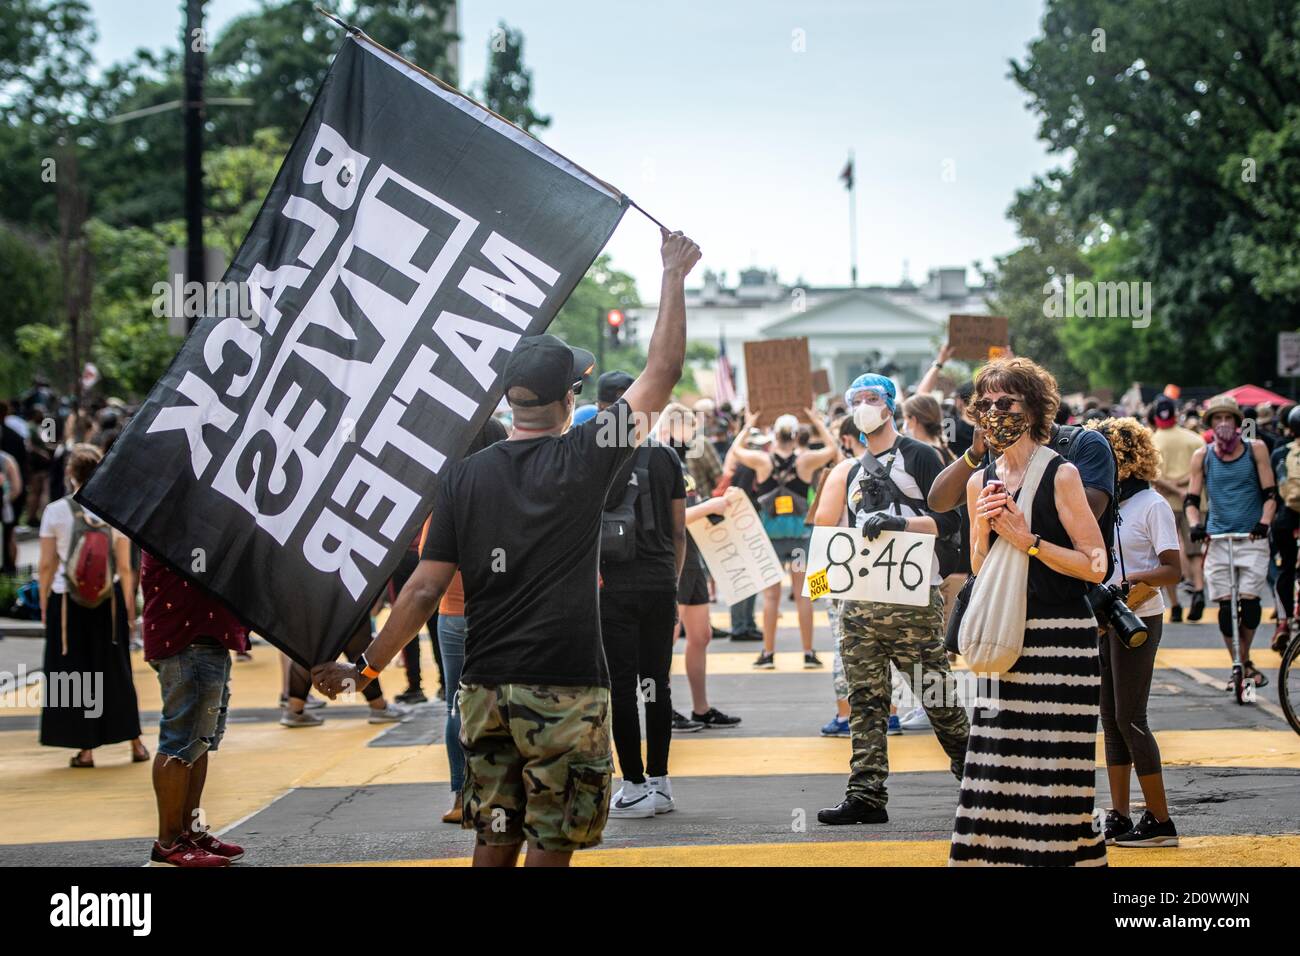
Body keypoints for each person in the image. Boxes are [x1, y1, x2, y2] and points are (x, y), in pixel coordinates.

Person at [312, 229, 701, 867]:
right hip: (565, 687)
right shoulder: (584, 457)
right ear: (570, 399)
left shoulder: (463, 477)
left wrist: (369, 667)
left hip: (484, 689)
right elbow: (662, 373)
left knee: (493, 835)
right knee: (553, 841)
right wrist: (672, 274)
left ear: (510, 400)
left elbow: (421, 589)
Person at [949, 358, 1108, 867]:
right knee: (993, 767)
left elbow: (1095, 565)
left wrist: (1029, 541)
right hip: (1003, 636)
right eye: (988, 404)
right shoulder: (981, 482)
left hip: (1060, 639)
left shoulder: (1061, 472)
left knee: (1053, 773)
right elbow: (980, 566)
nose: (996, 413)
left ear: (1034, 409)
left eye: (1008, 403)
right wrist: (982, 529)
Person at [812, 373, 969, 825]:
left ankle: (976, 777)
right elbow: (830, 539)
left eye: (872, 398)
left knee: (936, 694)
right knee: (865, 697)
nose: (864, 405)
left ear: (890, 404)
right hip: (860, 603)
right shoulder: (852, 469)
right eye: (856, 399)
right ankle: (865, 793)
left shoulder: (919, 455)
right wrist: (824, 593)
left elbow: (952, 522)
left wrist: (901, 525)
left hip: (913, 599)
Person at [594, 376, 695, 819]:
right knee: (656, 683)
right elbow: (678, 529)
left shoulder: (590, 456)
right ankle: (661, 782)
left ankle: (632, 784)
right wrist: (670, 580)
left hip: (611, 586)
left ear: (602, 408)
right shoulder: (666, 456)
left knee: (619, 685)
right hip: (658, 584)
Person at [1087, 418, 1181, 848]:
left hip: (1141, 616)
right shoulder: (1108, 504)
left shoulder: (1152, 505)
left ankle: (1160, 821)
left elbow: (1172, 569)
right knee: (1111, 720)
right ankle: (1120, 815)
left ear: (1123, 458)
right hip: (1109, 616)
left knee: (1131, 718)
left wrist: (1128, 582)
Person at [37, 444, 147, 767]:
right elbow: (126, 567)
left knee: (74, 674)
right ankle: (135, 743)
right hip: (108, 601)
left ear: (70, 474)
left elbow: (46, 565)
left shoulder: (56, 512)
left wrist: (45, 603)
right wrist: (128, 607)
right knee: (115, 671)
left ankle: (85, 749)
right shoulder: (114, 508)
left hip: (66, 602)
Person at [426, 416, 510, 824]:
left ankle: (460, 798)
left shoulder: (448, 490)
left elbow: (428, 556)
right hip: (499, 615)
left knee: (455, 705)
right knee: (503, 703)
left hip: (453, 613)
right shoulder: (510, 494)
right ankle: (499, 793)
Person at [142, 550, 249, 866]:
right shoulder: (173, 517)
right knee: (181, 740)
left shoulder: (189, 513)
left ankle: (191, 832)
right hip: (186, 637)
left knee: (199, 741)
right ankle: (169, 842)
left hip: (204, 635)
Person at [729, 408, 839, 669]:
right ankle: (809, 653)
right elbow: (833, 448)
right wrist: (817, 422)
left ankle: (768, 654)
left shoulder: (761, 461)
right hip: (800, 537)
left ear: (774, 435)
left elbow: (735, 451)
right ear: (796, 435)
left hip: (770, 537)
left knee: (770, 598)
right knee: (804, 596)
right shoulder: (806, 461)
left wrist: (748, 425)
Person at [1185, 394, 1277, 689]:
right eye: (1217, 419)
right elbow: (1191, 499)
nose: (1223, 424)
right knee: (1226, 610)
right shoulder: (1202, 456)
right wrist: (1195, 525)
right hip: (1219, 537)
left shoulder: (1256, 449)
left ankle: (1244, 660)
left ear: (1238, 423)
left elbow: (1270, 496)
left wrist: (1264, 523)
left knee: (1250, 605)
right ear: (1210, 424)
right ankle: (1239, 663)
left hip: (1251, 536)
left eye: (1228, 419)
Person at [665, 402, 743, 731]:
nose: (695, 433)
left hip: (691, 553)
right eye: (690, 426)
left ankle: (700, 707)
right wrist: (711, 505)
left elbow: (688, 509)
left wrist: (715, 505)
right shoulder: (661, 458)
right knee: (667, 637)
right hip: (673, 556)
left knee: (701, 634)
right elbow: (672, 517)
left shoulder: (679, 459)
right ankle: (665, 708)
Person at [1150, 396, 1207, 621]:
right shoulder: (1195, 439)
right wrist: (1184, 486)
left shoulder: (1152, 441)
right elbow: (1200, 469)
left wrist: (1173, 487)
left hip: (1164, 503)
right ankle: (1200, 591)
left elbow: (1153, 475)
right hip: (1195, 500)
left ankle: (1174, 605)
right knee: (1194, 552)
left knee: (1167, 555)